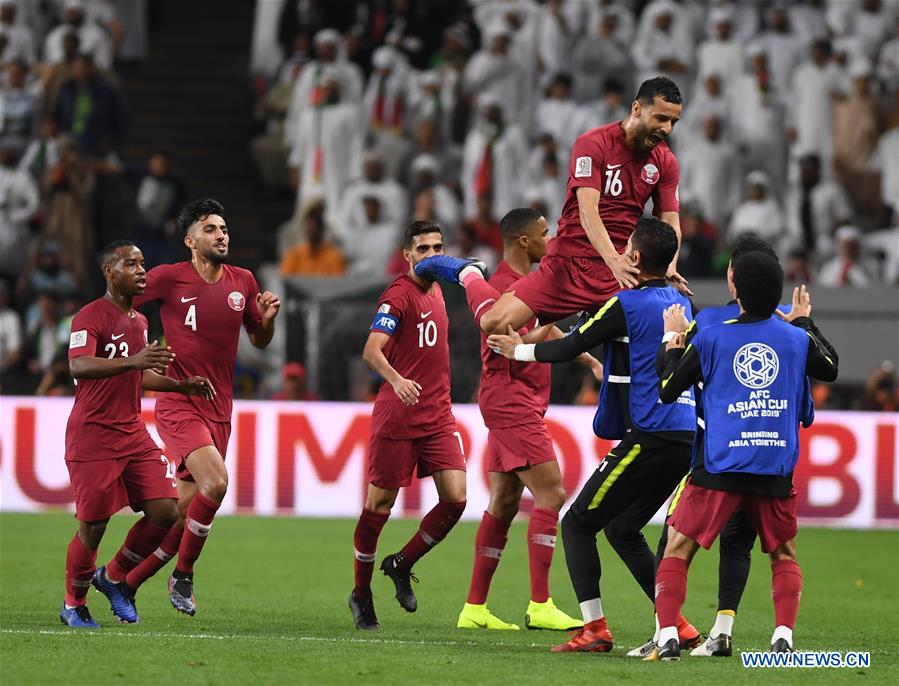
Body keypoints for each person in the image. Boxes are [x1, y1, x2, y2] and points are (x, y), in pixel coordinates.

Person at [487, 218, 700, 654]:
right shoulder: (680, 303)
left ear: (636, 259)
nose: (619, 254)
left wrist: (517, 349)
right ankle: (678, 624)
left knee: (578, 522)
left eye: (625, 249)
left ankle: (595, 629)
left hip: (651, 435)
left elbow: (569, 347)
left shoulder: (626, 304)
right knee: (623, 528)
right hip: (684, 435)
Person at [647, 254, 839, 661]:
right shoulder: (796, 340)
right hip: (774, 468)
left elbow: (667, 388)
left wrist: (672, 340)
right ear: (779, 293)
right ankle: (782, 636)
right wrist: (803, 320)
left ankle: (667, 636)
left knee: (677, 548)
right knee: (783, 553)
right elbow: (831, 367)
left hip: (721, 465)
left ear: (735, 289)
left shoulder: (713, 337)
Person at [416, 76, 687, 336]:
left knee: (677, 329)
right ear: (637, 109)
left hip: (622, 271)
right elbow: (587, 211)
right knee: (493, 323)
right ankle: (470, 273)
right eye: (661, 118)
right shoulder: (593, 143)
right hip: (569, 263)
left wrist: (669, 266)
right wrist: (612, 259)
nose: (667, 129)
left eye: (673, 122)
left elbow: (670, 223)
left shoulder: (665, 162)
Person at [122, 199, 281, 616]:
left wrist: (267, 321)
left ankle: (121, 580)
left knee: (181, 513)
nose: (222, 235)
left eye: (224, 228)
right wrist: (133, 348)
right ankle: (184, 575)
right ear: (190, 240)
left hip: (220, 408)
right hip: (179, 400)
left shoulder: (243, 281)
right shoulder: (168, 278)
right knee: (216, 484)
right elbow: (121, 304)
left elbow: (259, 340)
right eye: (211, 229)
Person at [458, 208, 601, 632]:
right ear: (524, 241)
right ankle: (540, 603)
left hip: (517, 399)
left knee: (502, 503)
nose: (550, 238)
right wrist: (555, 325)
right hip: (511, 398)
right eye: (543, 233)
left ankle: (474, 607)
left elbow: (545, 329)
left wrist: (589, 358)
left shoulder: (531, 287)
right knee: (552, 493)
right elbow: (509, 340)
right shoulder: (502, 289)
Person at [61, 240, 213, 628]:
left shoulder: (140, 321)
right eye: (132, 264)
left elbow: (137, 373)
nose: (142, 271)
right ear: (110, 271)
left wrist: (181, 386)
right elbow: (79, 366)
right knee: (93, 527)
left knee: (166, 510)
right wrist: (133, 360)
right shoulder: (89, 317)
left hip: (131, 433)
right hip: (93, 435)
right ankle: (73, 604)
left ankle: (111, 577)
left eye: (143, 264)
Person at [349, 221, 467, 631]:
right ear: (408, 255)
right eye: (423, 249)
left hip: (437, 416)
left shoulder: (438, 291)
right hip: (398, 417)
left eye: (438, 246)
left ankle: (401, 563)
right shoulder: (398, 295)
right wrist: (396, 379)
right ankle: (361, 593)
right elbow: (370, 350)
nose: (432, 254)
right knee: (378, 508)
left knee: (456, 500)